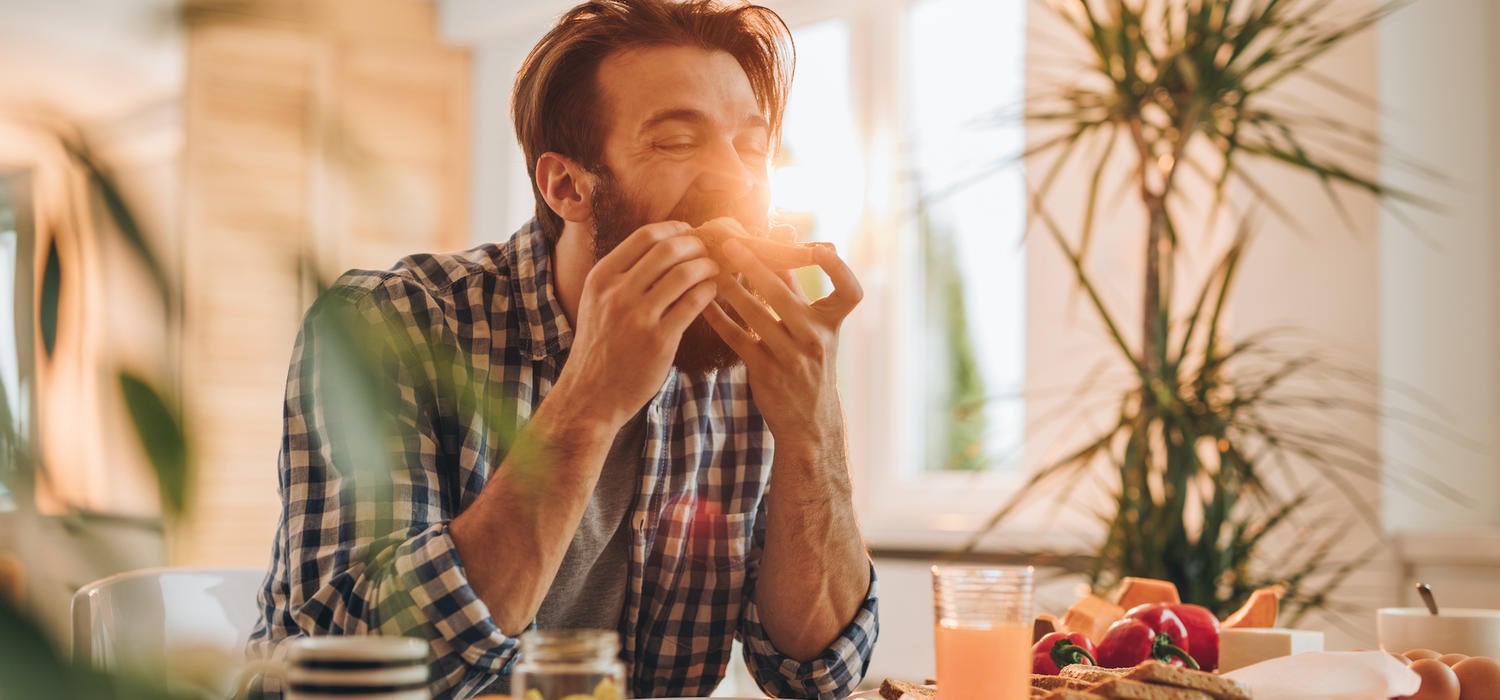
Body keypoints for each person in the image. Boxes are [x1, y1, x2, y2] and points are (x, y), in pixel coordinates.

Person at [248, 1, 878, 697]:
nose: (737, 179)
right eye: (676, 141)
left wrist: (812, 425)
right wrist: (590, 399)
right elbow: (348, 673)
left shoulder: (747, 361)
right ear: (567, 186)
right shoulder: (388, 325)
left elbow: (819, 672)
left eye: (751, 147)